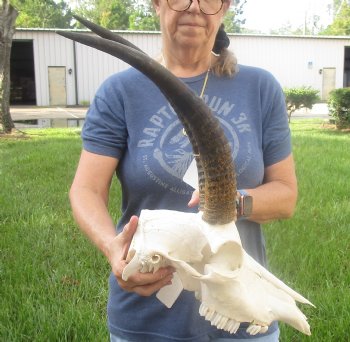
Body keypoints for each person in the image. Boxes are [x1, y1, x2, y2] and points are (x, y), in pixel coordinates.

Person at [69, 0, 298, 341]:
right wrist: (113, 250)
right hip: (145, 317)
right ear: (157, 4)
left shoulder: (260, 88)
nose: (194, 8)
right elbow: (86, 190)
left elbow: (285, 195)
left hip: (244, 313)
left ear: (225, 9)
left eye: (209, 0)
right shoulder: (119, 92)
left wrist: (232, 203)